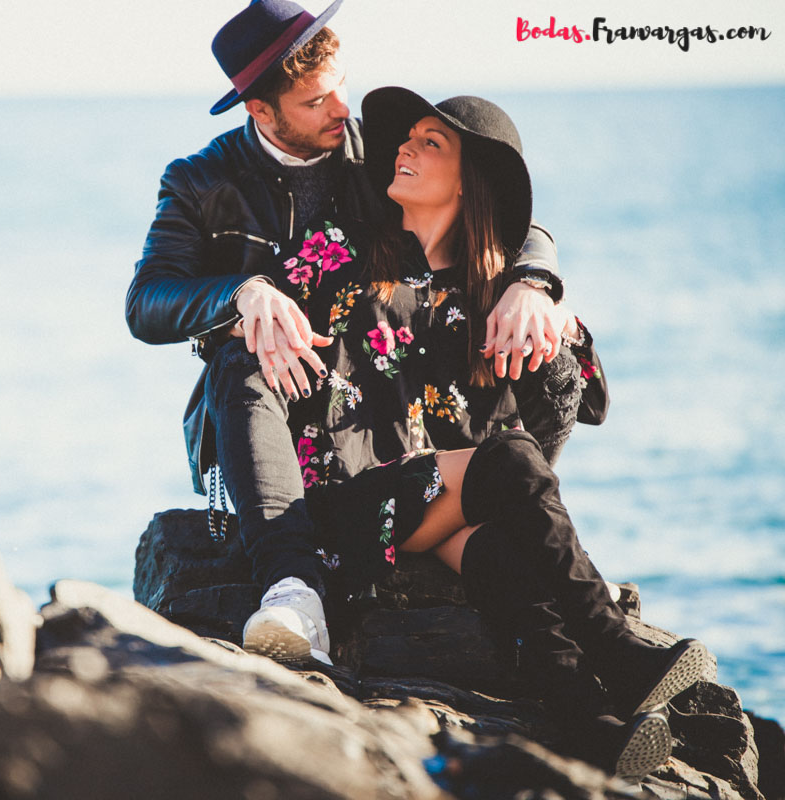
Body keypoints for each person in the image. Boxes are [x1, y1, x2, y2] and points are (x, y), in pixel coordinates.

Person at [245, 86, 707, 778]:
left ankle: (591, 725)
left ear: (470, 182)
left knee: (500, 558)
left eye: (431, 142)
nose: (404, 146)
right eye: (407, 138)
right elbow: (254, 304)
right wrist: (250, 293)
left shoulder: (493, 288)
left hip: (439, 517)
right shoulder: (340, 254)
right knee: (513, 462)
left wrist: (553, 305)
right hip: (348, 514)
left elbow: (588, 399)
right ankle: (614, 645)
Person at [125, 0, 571, 650]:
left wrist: (534, 281)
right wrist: (243, 293)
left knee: (557, 357)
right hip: (274, 405)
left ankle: (501, 529)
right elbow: (147, 302)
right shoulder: (200, 182)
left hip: (390, 401)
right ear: (263, 112)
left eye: (342, 89)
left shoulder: (371, 150)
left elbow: (494, 207)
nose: (341, 110)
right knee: (242, 354)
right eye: (316, 102)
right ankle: (293, 590)